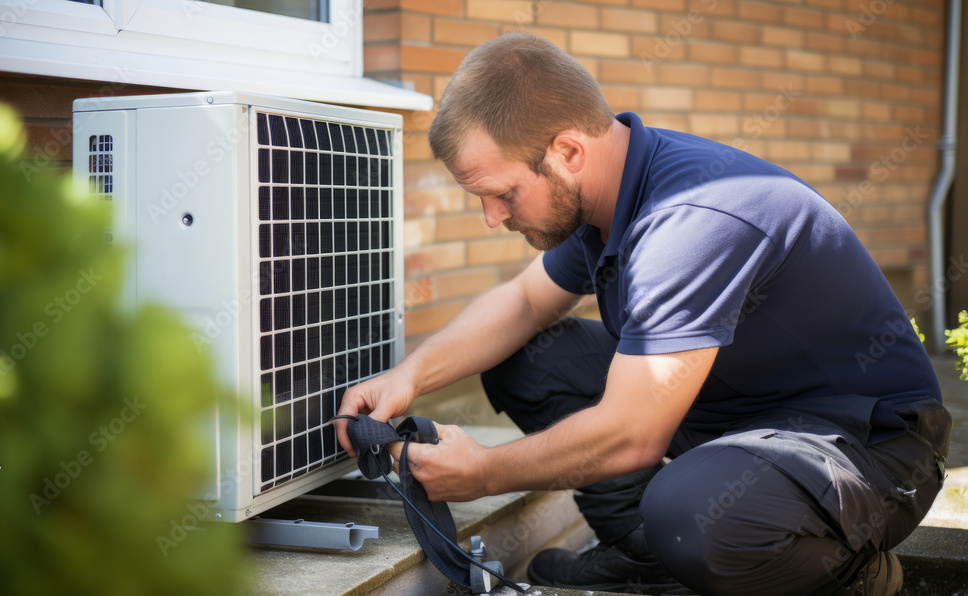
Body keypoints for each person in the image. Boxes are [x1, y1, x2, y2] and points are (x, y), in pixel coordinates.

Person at [334, 32, 951, 596]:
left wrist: (483, 473)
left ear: (568, 151)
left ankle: (852, 576)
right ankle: (643, 556)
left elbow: (633, 434)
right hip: (740, 413)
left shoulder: (692, 219)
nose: (492, 217)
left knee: (690, 515)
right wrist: (407, 378)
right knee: (531, 359)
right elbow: (523, 302)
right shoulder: (607, 194)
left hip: (867, 452)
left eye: (501, 193)